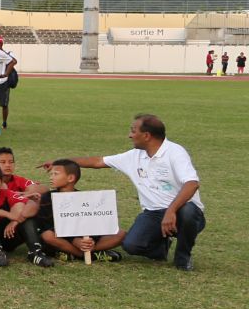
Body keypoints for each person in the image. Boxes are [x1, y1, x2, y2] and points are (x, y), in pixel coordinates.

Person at [46, 114, 205, 270]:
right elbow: (97, 161)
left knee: (188, 211)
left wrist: (171, 210)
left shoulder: (175, 152)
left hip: (182, 210)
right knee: (131, 245)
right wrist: (61, 162)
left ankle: (183, 258)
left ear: (147, 135)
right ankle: (160, 246)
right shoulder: (134, 156)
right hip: (153, 213)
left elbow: (192, 184)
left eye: (133, 131)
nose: (130, 135)